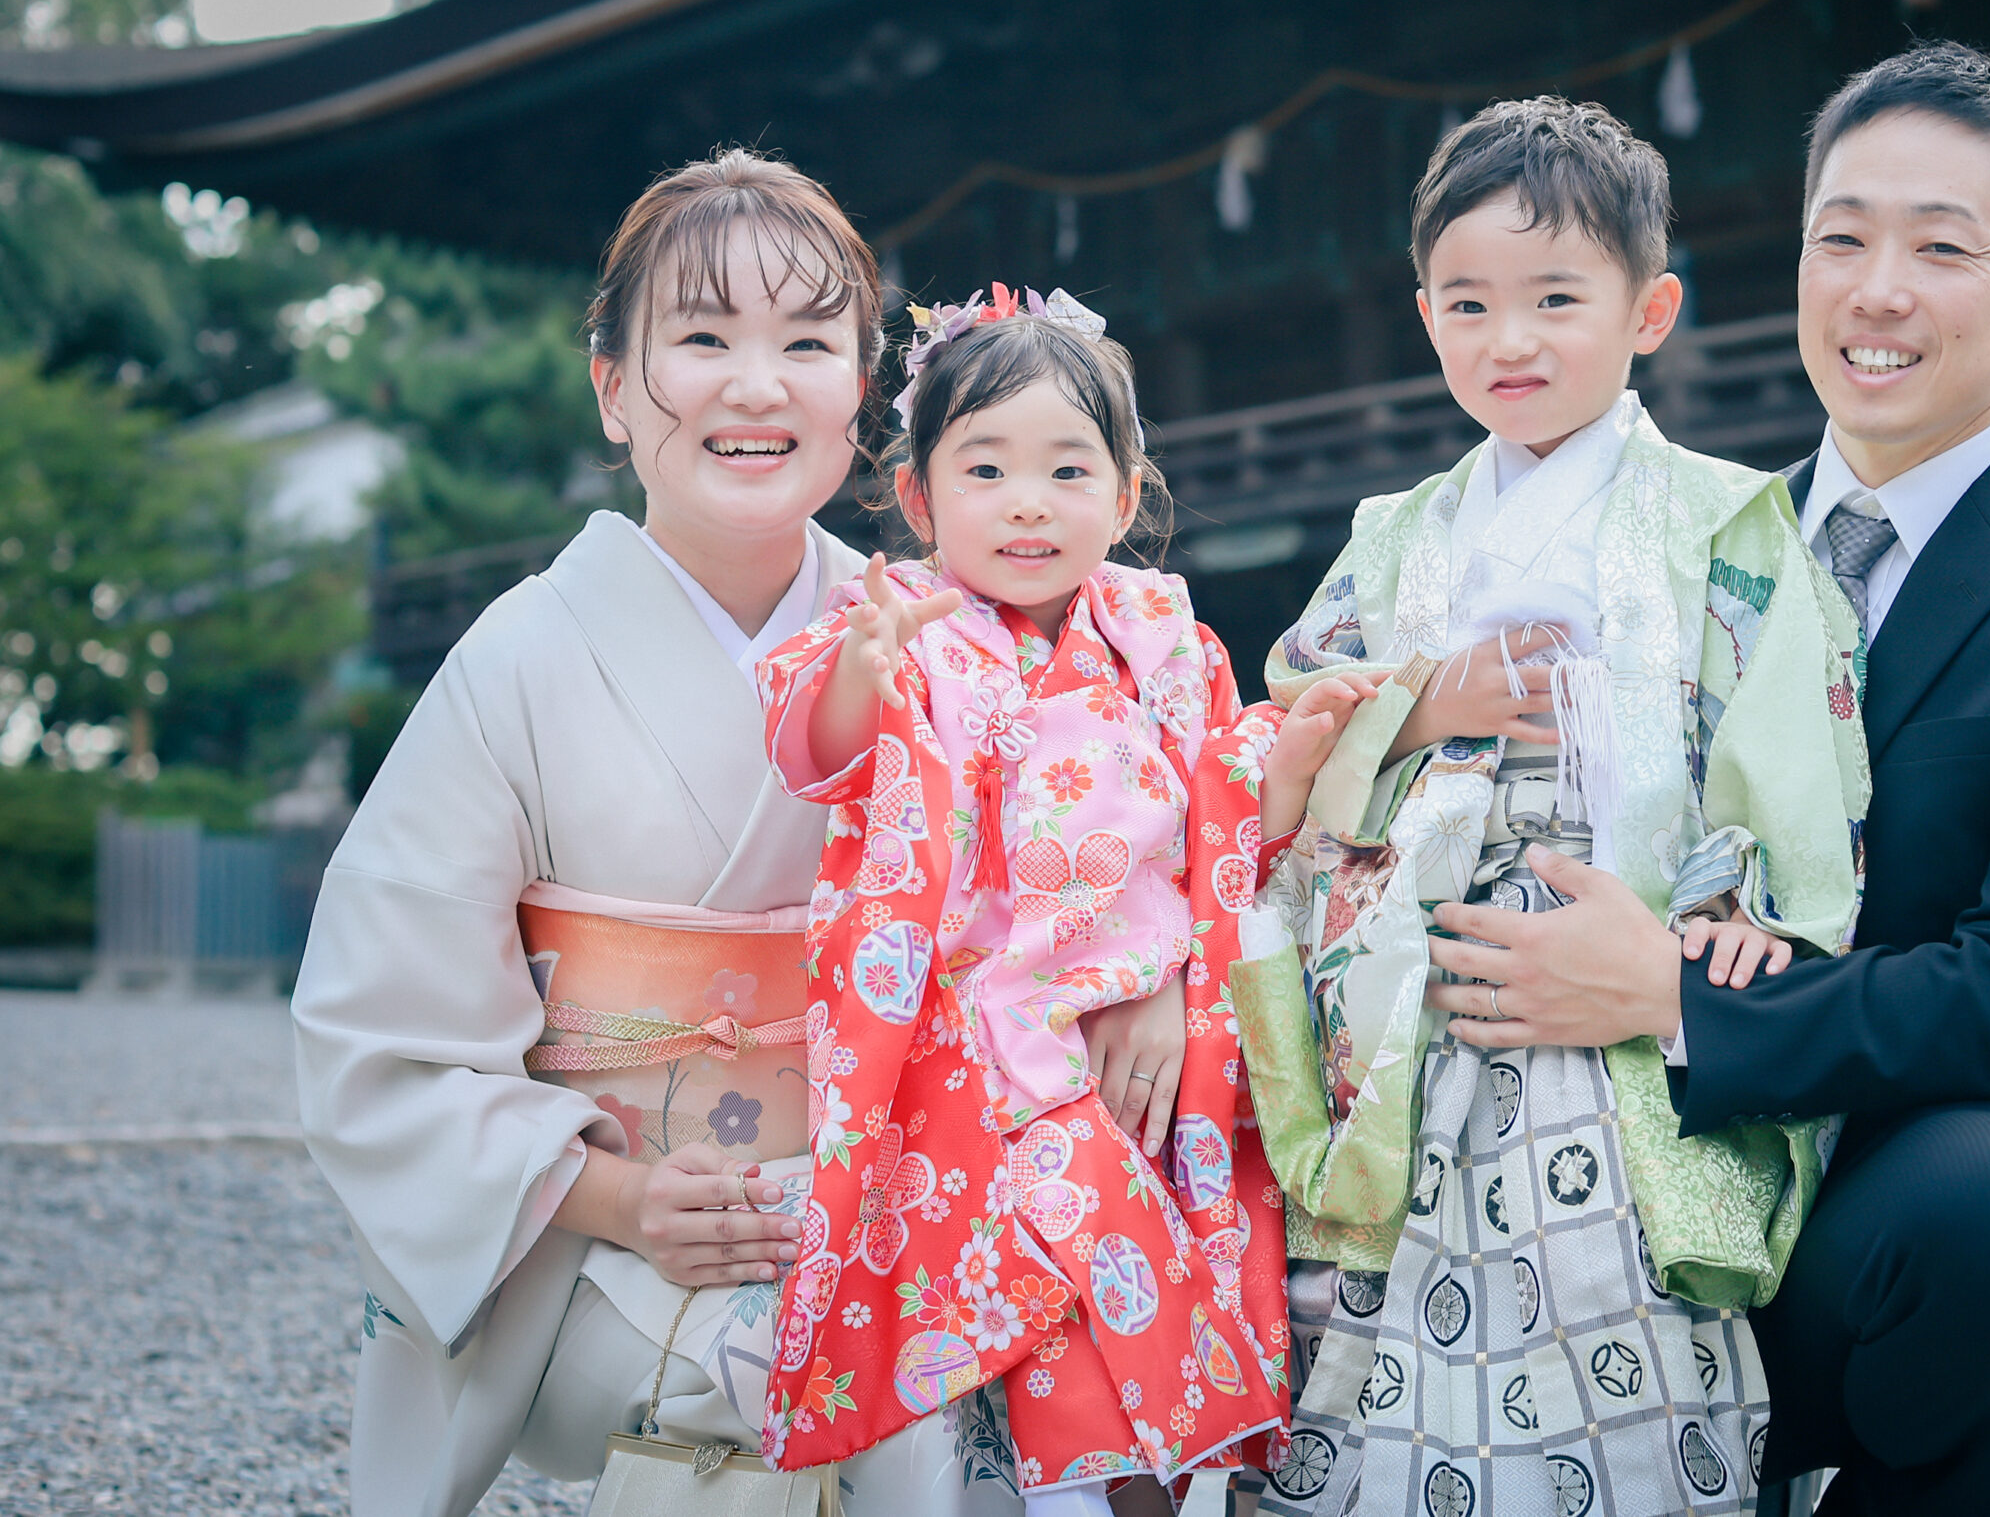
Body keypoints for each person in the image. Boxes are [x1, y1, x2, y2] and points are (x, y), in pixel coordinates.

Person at [1416, 45, 1990, 1516]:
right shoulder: (1675, 536)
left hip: (1886, 1175)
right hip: (1592, 1137)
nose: (1877, 290)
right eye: (1841, 238)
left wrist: (1676, 997)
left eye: (1940, 247)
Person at [293, 152, 1020, 1516]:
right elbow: (372, 1041)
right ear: (615, 388)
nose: (758, 384)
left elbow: (1026, 943)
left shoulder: (933, 639)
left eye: (808, 341)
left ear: (860, 387)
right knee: (799, 1363)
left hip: (884, 1200)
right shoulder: (517, 659)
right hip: (589, 1235)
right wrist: (621, 1197)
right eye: (701, 337)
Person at [1234, 97, 1870, 1517]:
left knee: (1608, 1287)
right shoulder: (1394, 533)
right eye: (1468, 302)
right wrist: (1427, 699)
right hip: (1411, 980)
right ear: (1424, 313)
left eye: (1555, 298)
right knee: (1360, 1319)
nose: (1508, 339)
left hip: (1610, 958)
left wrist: (1735, 901)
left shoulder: (1726, 518)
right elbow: (1291, 722)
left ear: (1651, 311)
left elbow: (1778, 736)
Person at [753, 290, 1366, 1515]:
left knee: (1113, 1271)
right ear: (920, 499)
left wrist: (1173, 967)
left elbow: (1219, 810)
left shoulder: (1164, 637)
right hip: (982, 1046)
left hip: (1158, 1027)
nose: (1027, 500)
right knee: (1089, 1268)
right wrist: (864, 682)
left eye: (1067, 467)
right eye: (985, 467)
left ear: (1126, 494)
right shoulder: (903, 632)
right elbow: (816, 747)